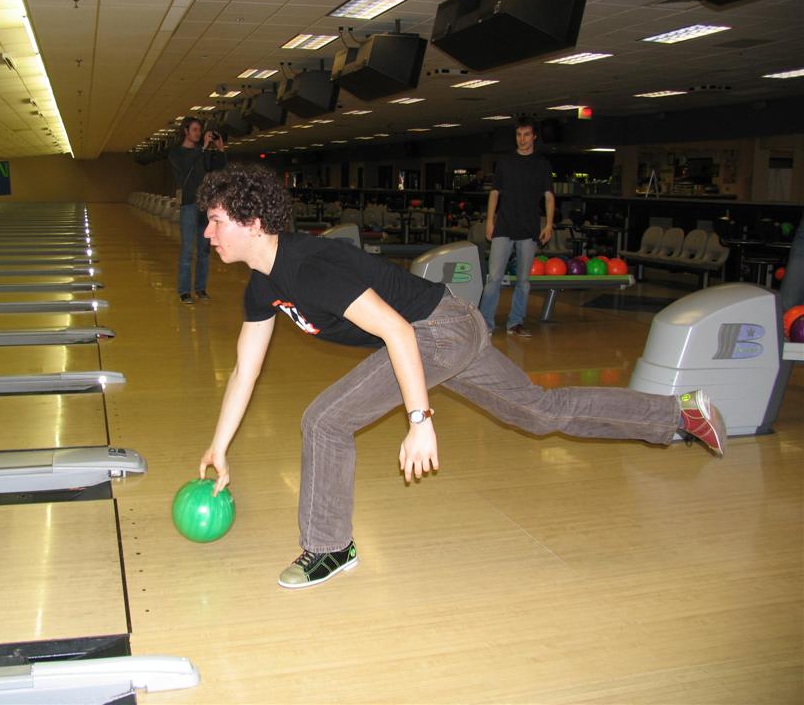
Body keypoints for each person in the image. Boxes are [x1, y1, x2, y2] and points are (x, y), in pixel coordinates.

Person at [195, 164, 727, 590]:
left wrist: (420, 418)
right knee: (540, 413)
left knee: (324, 422)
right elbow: (245, 368)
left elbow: (399, 332)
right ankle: (678, 413)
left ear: (253, 222)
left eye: (217, 220)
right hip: (448, 328)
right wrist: (220, 446)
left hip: (438, 331)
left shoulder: (309, 266)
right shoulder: (261, 286)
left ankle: (329, 547)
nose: (207, 231)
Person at [478, 118, 554, 338]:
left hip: (529, 229)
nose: (522, 139)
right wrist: (490, 221)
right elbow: (495, 193)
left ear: (534, 137)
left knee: (523, 282)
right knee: (494, 279)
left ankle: (515, 323)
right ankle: (486, 323)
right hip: (504, 226)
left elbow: (549, 197)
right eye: (519, 135)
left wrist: (548, 224)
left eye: (527, 135)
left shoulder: (542, 164)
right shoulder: (505, 162)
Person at [168, 117, 227, 304]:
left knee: (204, 251)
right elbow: (186, 167)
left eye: (199, 130)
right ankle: (184, 291)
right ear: (185, 131)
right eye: (194, 129)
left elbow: (218, 169)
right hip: (188, 205)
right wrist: (202, 147)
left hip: (205, 206)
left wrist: (220, 149)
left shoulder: (202, 153)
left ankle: (201, 289)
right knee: (187, 250)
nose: (198, 133)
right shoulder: (176, 153)